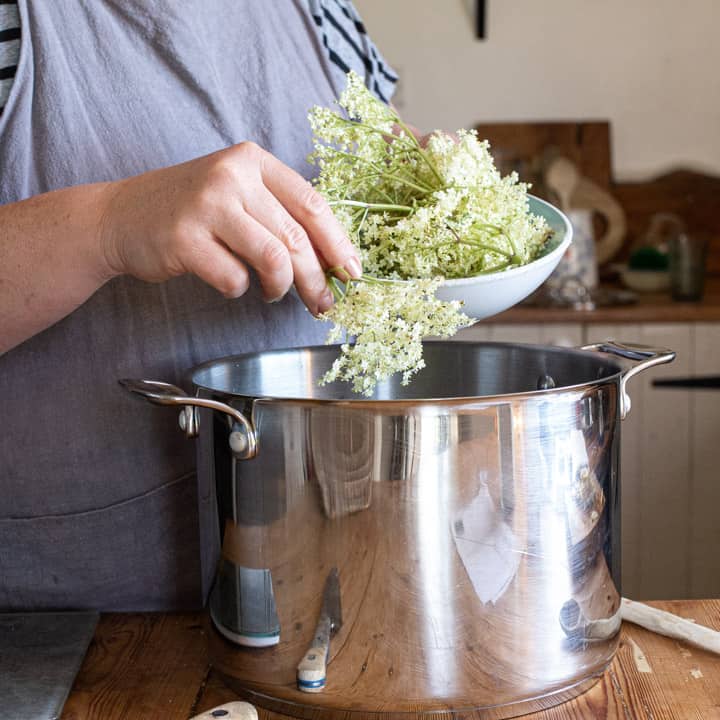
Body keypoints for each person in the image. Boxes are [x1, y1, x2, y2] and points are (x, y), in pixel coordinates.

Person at [0, 1, 398, 611]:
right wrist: (107, 226)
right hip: (71, 643)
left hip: (323, 589)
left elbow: (384, 143)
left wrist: (427, 175)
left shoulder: (319, 9)